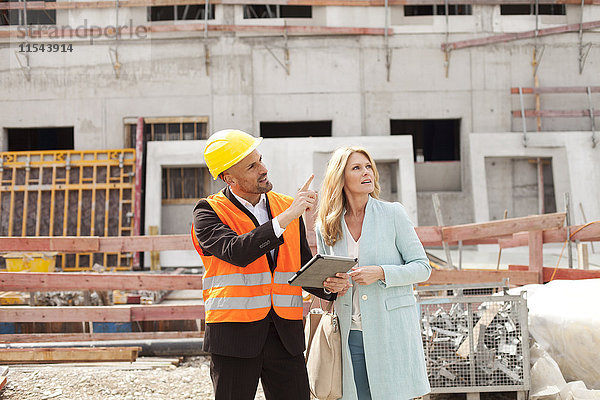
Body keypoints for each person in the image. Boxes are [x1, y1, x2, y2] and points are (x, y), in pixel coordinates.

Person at [191, 129, 336, 400]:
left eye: (260, 159)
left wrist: (331, 285)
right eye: (252, 166)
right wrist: (287, 217)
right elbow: (237, 251)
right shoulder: (208, 212)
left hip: (285, 335)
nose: (263, 169)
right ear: (229, 177)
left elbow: (301, 267)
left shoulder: (285, 205)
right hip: (234, 335)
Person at [316, 146, 431, 400]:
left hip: (390, 330)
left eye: (368, 167)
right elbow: (324, 284)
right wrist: (332, 286)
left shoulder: (393, 214)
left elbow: (423, 267)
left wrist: (380, 272)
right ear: (340, 177)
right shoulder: (327, 225)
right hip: (349, 331)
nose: (366, 172)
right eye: (356, 168)